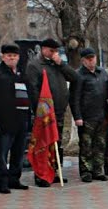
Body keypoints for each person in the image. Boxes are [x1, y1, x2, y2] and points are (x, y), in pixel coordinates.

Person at [26, 38, 78, 186]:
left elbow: (74, 77)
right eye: (51, 50)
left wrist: (61, 64)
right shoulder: (34, 65)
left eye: (56, 51)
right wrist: (40, 111)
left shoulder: (57, 64)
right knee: (43, 143)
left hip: (59, 111)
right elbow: (33, 90)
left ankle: (54, 171)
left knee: (56, 142)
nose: (54, 53)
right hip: (44, 114)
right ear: (43, 49)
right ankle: (40, 175)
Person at [0, 43, 31, 193]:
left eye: (15, 56)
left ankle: (14, 179)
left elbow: (29, 93)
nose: (12, 58)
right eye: (9, 55)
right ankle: (2, 182)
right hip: (3, 120)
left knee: (18, 152)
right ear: (3, 57)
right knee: (1, 153)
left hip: (22, 119)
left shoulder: (22, 73)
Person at [70, 48, 108, 182]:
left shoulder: (103, 73)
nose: (91, 61)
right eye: (88, 59)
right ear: (83, 60)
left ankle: (98, 170)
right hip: (86, 117)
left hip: (102, 116)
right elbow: (74, 98)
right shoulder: (79, 75)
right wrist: (77, 116)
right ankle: (86, 171)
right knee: (86, 146)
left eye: (93, 58)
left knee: (100, 145)